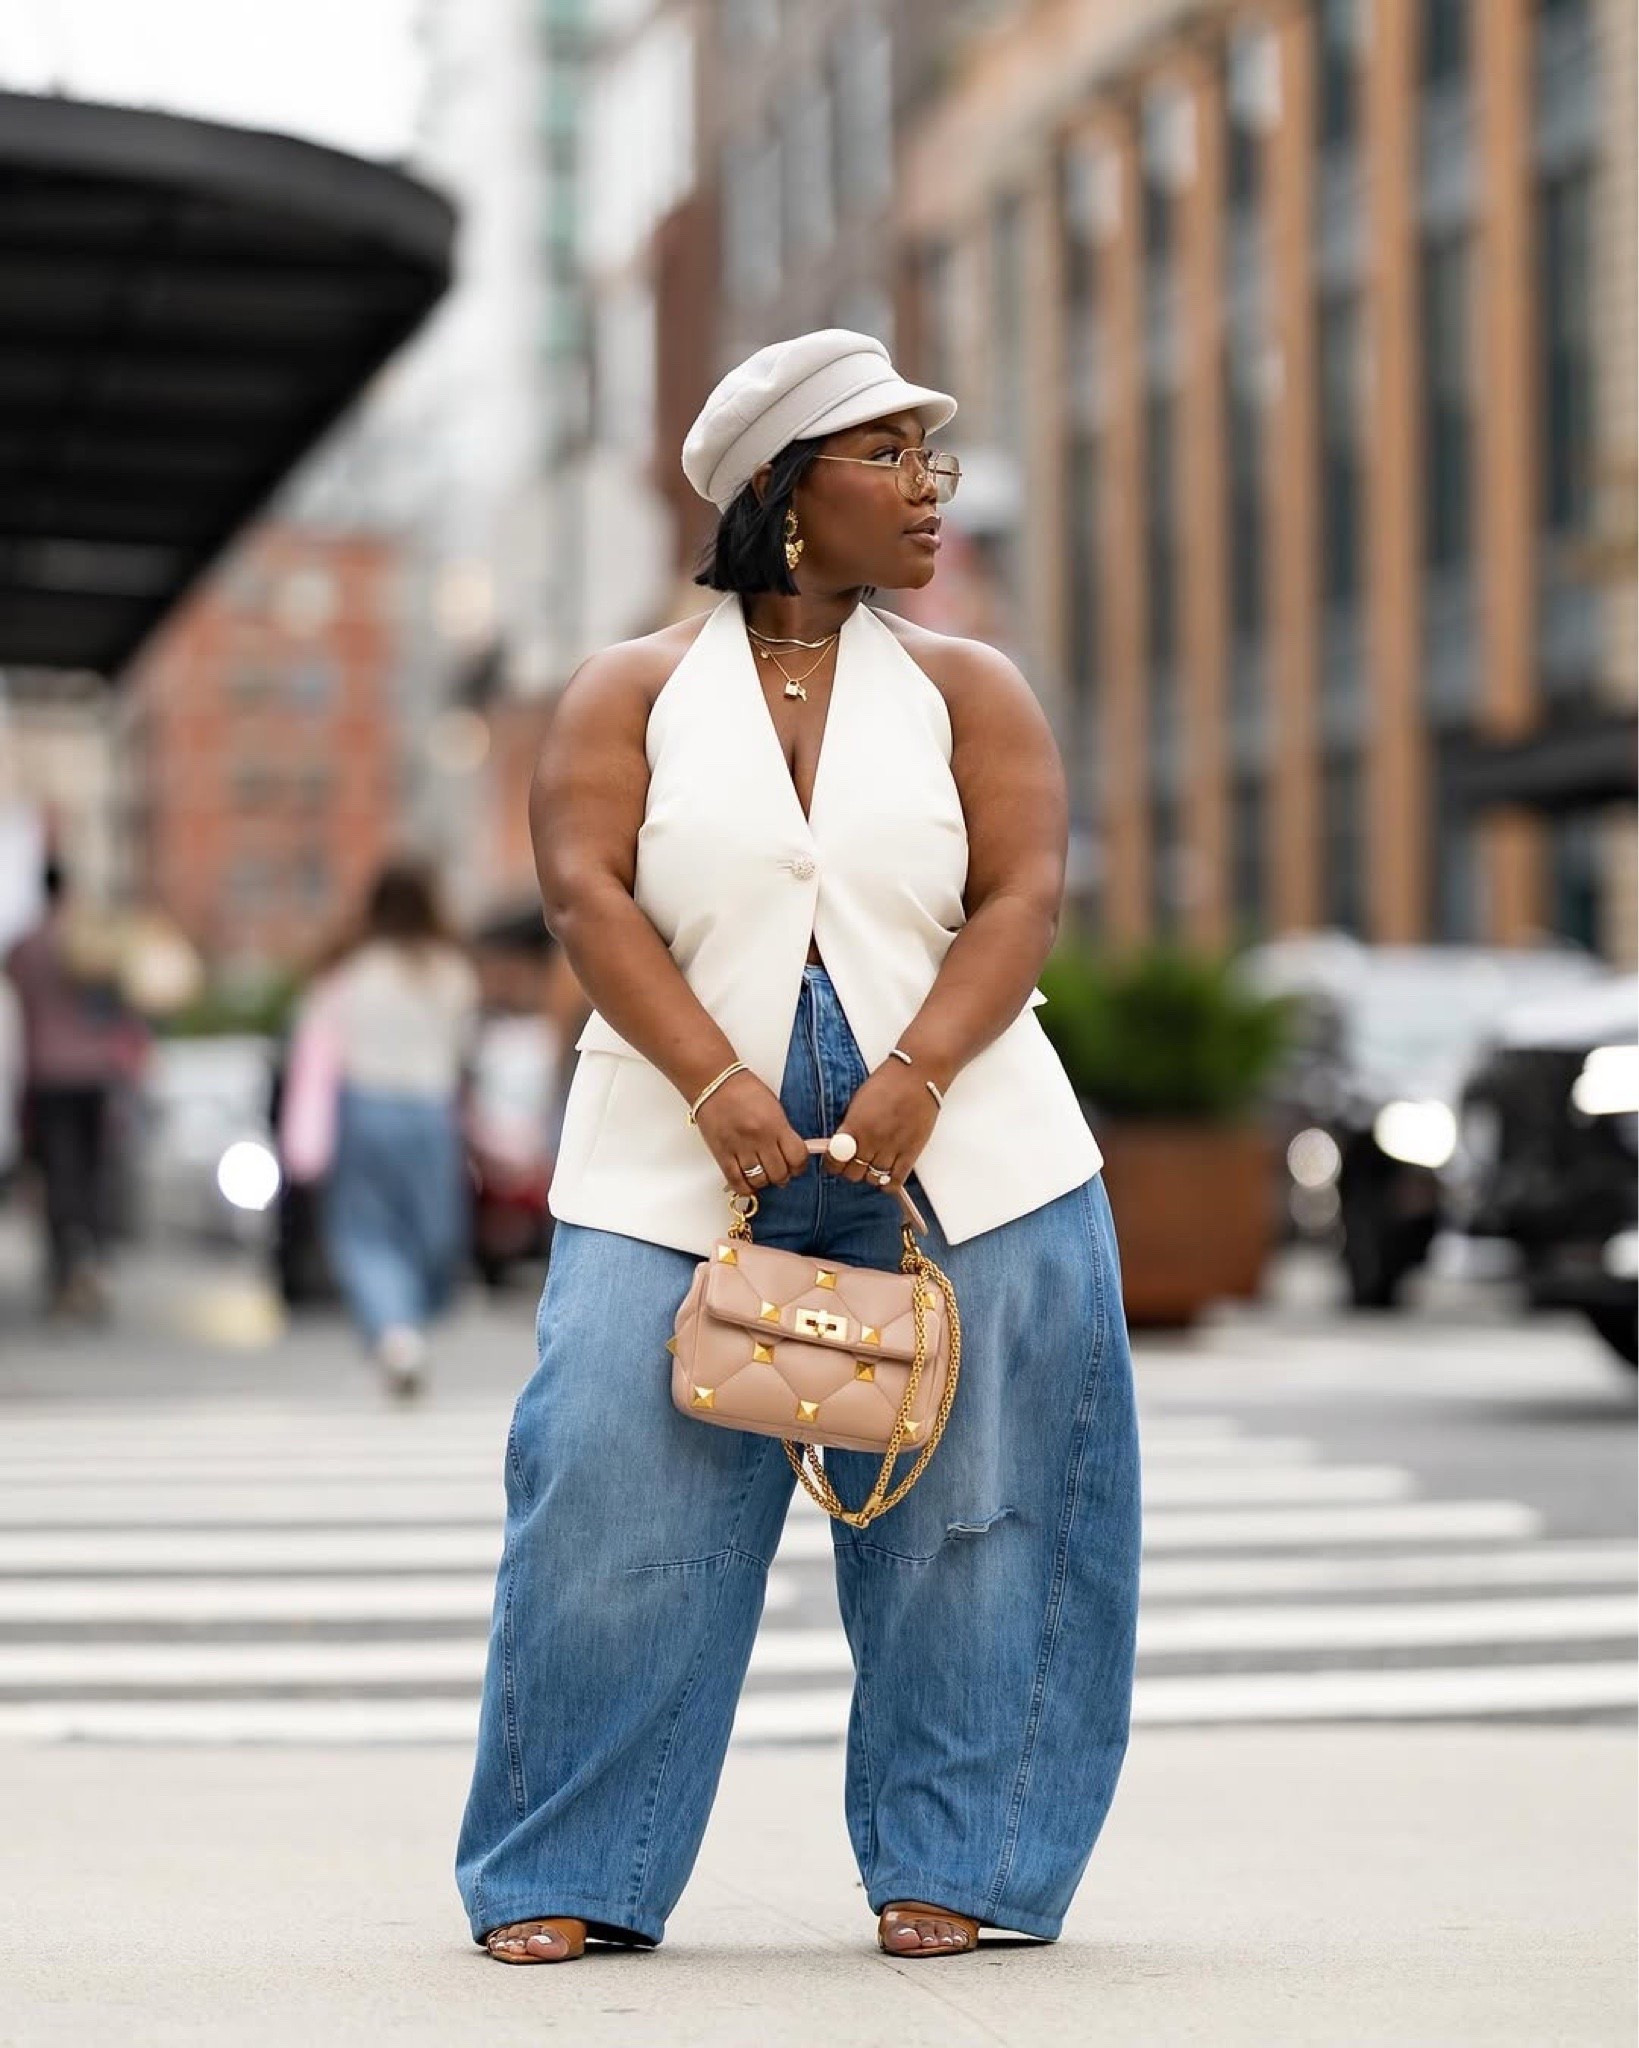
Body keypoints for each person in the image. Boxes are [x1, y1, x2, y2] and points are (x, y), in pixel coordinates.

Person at [456, 330, 1141, 1964]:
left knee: (983, 1506)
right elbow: (585, 893)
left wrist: (911, 1071)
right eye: (887, 457)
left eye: (932, 459)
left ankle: (962, 1857)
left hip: (971, 1148)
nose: (926, 494)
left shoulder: (971, 687)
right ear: (778, 493)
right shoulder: (623, 690)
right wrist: (714, 1086)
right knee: (607, 1487)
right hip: (675, 1155)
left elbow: (1023, 895)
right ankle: (569, 1859)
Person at [305, 861, 479, 1396]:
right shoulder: (451, 972)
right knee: (430, 1229)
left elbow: (315, 1046)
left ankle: (394, 1332)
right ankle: (406, 1327)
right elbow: (463, 1052)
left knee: (366, 1232)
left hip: (365, 1108)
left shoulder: (350, 970)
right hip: (430, 1111)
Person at [4, 859, 149, 1319]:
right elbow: (124, 1003)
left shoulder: (25, 947)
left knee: (58, 1174)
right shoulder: (92, 942)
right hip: (95, 1074)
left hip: (46, 1076)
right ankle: (96, 1259)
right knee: (95, 1170)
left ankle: (66, 1267)